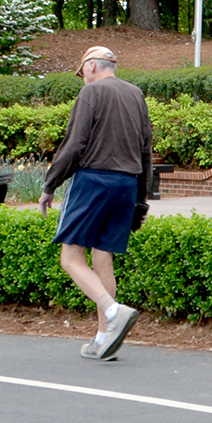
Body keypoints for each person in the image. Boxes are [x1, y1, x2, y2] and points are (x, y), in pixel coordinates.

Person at [37, 45, 153, 361]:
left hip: (93, 181)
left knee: (71, 258)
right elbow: (146, 152)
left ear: (90, 66)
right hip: (126, 185)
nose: (82, 79)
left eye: (82, 73)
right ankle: (103, 338)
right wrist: (140, 202)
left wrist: (51, 185)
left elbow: (74, 144)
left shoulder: (92, 94)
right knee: (103, 260)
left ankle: (114, 312)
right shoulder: (136, 95)